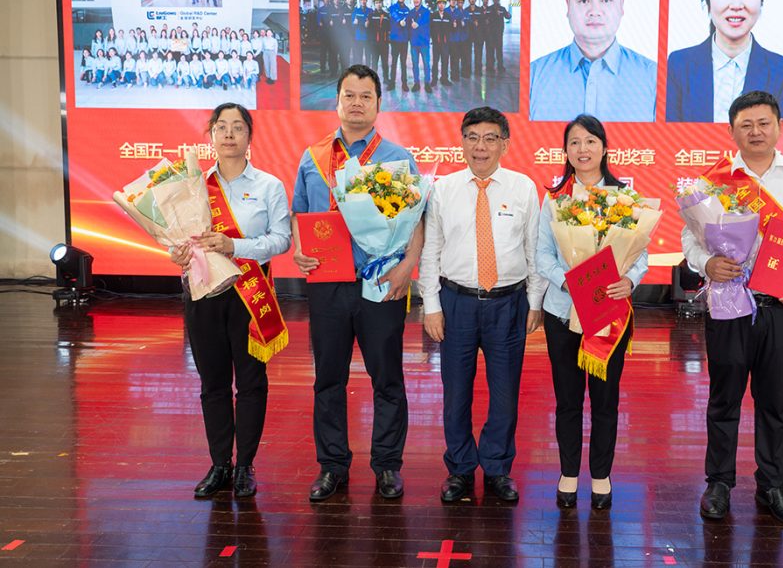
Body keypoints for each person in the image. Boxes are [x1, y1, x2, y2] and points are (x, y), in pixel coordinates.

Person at [681, 90, 783, 527]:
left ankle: (772, 485)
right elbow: (690, 238)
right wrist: (706, 263)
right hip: (729, 302)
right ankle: (719, 482)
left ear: (779, 127)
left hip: (782, 305)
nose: (755, 132)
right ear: (732, 132)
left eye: (763, 123)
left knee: (773, 402)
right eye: (745, 125)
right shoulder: (715, 181)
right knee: (723, 398)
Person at [292, 64, 423, 502]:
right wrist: (298, 248)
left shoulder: (397, 158)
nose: (356, 103)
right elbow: (298, 213)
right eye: (349, 95)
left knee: (387, 378)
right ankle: (332, 466)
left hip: (381, 282)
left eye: (366, 96)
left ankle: (387, 465)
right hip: (326, 283)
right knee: (328, 378)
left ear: (378, 104)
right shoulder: (313, 157)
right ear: (337, 101)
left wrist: (408, 266)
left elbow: (417, 220)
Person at [420, 106, 546, 504]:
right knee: (455, 392)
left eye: (490, 138)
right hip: (455, 302)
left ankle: (496, 467)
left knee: (505, 392)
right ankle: (459, 468)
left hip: (508, 304)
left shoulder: (523, 187)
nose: (481, 146)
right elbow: (430, 250)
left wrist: (535, 302)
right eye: (472, 137)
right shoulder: (443, 189)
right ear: (461, 142)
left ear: (504, 145)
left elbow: (534, 249)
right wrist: (430, 304)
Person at [170, 102, 291, 499]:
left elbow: (281, 240)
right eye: (221, 127)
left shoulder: (269, 186)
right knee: (213, 383)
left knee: (252, 383)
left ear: (249, 136)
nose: (228, 134)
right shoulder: (192, 188)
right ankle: (220, 463)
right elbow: (178, 239)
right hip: (203, 295)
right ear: (211, 136)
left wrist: (234, 245)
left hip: (249, 295)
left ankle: (245, 466)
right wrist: (177, 253)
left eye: (237, 127)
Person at [535, 114, 647, 510]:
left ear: (604, 147)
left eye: (590, 141)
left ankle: (601, 475)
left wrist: (630, 280)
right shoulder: (555, 199)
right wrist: (570, 284)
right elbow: (542, 256)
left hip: (609, 314)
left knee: (605, 400)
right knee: (567, 399)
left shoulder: (625, 198)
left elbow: (640, 255)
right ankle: (568, 472)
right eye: (574, 143)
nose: (582, 149)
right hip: (562, 312)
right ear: (565, 151)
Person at [665, 0, 783, 123]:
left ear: (761, 1)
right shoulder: (679, 65)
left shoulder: (779, 69)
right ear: (708, 0)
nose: (736, 4)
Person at [530, 0, 657, 122]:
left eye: (606, 0)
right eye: (584, 1)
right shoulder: (534, 75)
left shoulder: (653, 77)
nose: (595, 11)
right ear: (568, 5)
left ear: (621, 4)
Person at [408, 0, 432, 93]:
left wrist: (417, 24)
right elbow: (408, 26)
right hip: (414, 43)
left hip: (424, 43)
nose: (416, 0)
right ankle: (416, 83)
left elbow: (423, 22)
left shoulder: (426, 12)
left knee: (426, 64)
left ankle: (427, 83)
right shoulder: (411, 12)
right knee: (415, 64)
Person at [388, 0, 411, 91]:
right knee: (394, 62)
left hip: (404, 40)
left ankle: (404, 83)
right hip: (395, 40)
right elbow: (394, 15)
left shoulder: (407, 10)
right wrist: (399, 21)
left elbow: (409, 23)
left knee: (403, 63)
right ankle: (392, 83)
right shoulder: (392, 8)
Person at [430, 0, 452, 86]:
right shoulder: (433, 15)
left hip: (445, 43)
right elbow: (430, 28)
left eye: (443, 3)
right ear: (437, 4)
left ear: (445, 4)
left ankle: (444, 79)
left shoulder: (448, 16)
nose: (441, 5)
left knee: (445, 61)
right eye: (440, 3)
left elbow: (451, 29)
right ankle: (434, 79)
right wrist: (433, 38)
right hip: (436, 43)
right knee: (435, 62)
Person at [367, 0, 390, 77]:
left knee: (385, 62)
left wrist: (388, 40)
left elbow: (389, 29)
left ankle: (386, 78)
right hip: (374, 43)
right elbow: (368, 30)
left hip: (384, 43)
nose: (378, 4)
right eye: (376, 3)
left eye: (380, 2)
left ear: (382, 3)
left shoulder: (386, 15)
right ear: (374, 4)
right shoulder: (371, 15)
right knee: (374, 62)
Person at [487, 0, 511, 74]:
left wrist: (508, 15)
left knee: (499, 50)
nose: (496, 1)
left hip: (499, 33)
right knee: (491, 50)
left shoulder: (502, 9)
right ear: (493, 0)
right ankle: (490, 66)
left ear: (499, 0)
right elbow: (486, 17)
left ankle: (500, 66)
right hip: (491, 33)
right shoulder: (489, 9)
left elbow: (507, 16)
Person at [352, 0, 371, 66]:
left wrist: (369, 24)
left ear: (367, 0)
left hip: (368, 38)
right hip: (358, 38)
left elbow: (373, 25)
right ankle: (360, 72)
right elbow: (353, 24)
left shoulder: (370, 11)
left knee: (368, 58)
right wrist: (355, 23)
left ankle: (367, 71)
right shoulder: (356, 11)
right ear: (359, 0)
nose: (363, 1)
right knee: (359, 58)